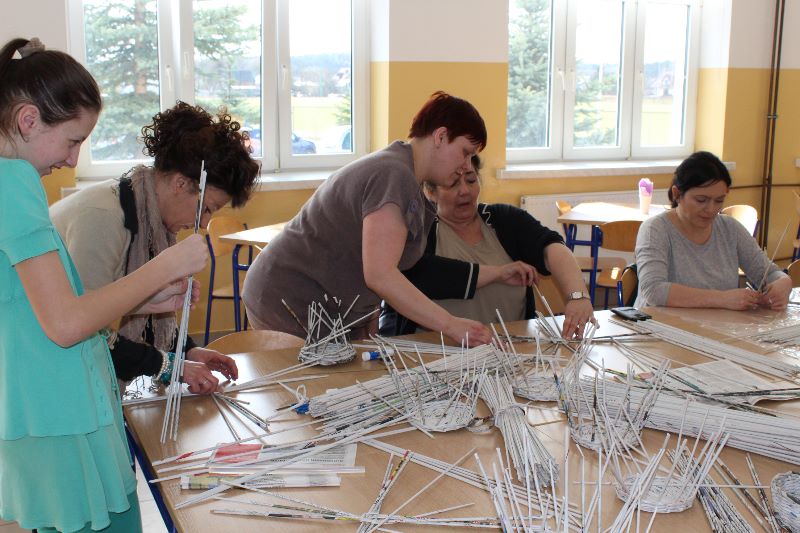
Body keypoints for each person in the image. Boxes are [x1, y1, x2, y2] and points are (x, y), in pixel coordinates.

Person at [0, 38, 209, 532]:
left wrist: (145, 299)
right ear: (28, 120)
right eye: (72, 140)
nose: (72, 160)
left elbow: (36, 310)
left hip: (47, 410)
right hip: (59, 415)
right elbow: (65, 324)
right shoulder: (13, 184)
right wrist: (163, 267)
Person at [243, 91, 493, 346]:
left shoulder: (404, 173)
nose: (467, 165)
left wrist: (369, 331)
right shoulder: (394, 175)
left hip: (320, 304)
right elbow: (381, 275)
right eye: (465, 152)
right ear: (440, 136)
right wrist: (451, 325)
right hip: (288, 297)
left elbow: (371, 268)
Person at [51, 101, 260, 394]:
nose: (204, 223)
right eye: (207, 208)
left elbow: (136, 310)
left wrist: (188, 352)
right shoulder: (103, 219)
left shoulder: (149, 219)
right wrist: (170, 365)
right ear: (180, 184)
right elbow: (89, 337)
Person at [382, 155, 595, 339]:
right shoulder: (420, 228)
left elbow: (552, 247)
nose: (464, 190)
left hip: (511, 350)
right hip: (436, 354)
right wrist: (498, 273)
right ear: (431, 191)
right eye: (453, 183)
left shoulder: (504, 220)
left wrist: (578, 296)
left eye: (471, 180)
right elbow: (425, 274)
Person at [635, 150, 792, 310]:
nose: (711, 209)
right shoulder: (655, 229)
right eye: (701, 200)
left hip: (716, 323)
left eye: (719, 201)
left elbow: (768, 273)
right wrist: (723, 299)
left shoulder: (730, 229)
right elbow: (654, 290)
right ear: (677, 194)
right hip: (660, 323)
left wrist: (783, 282)